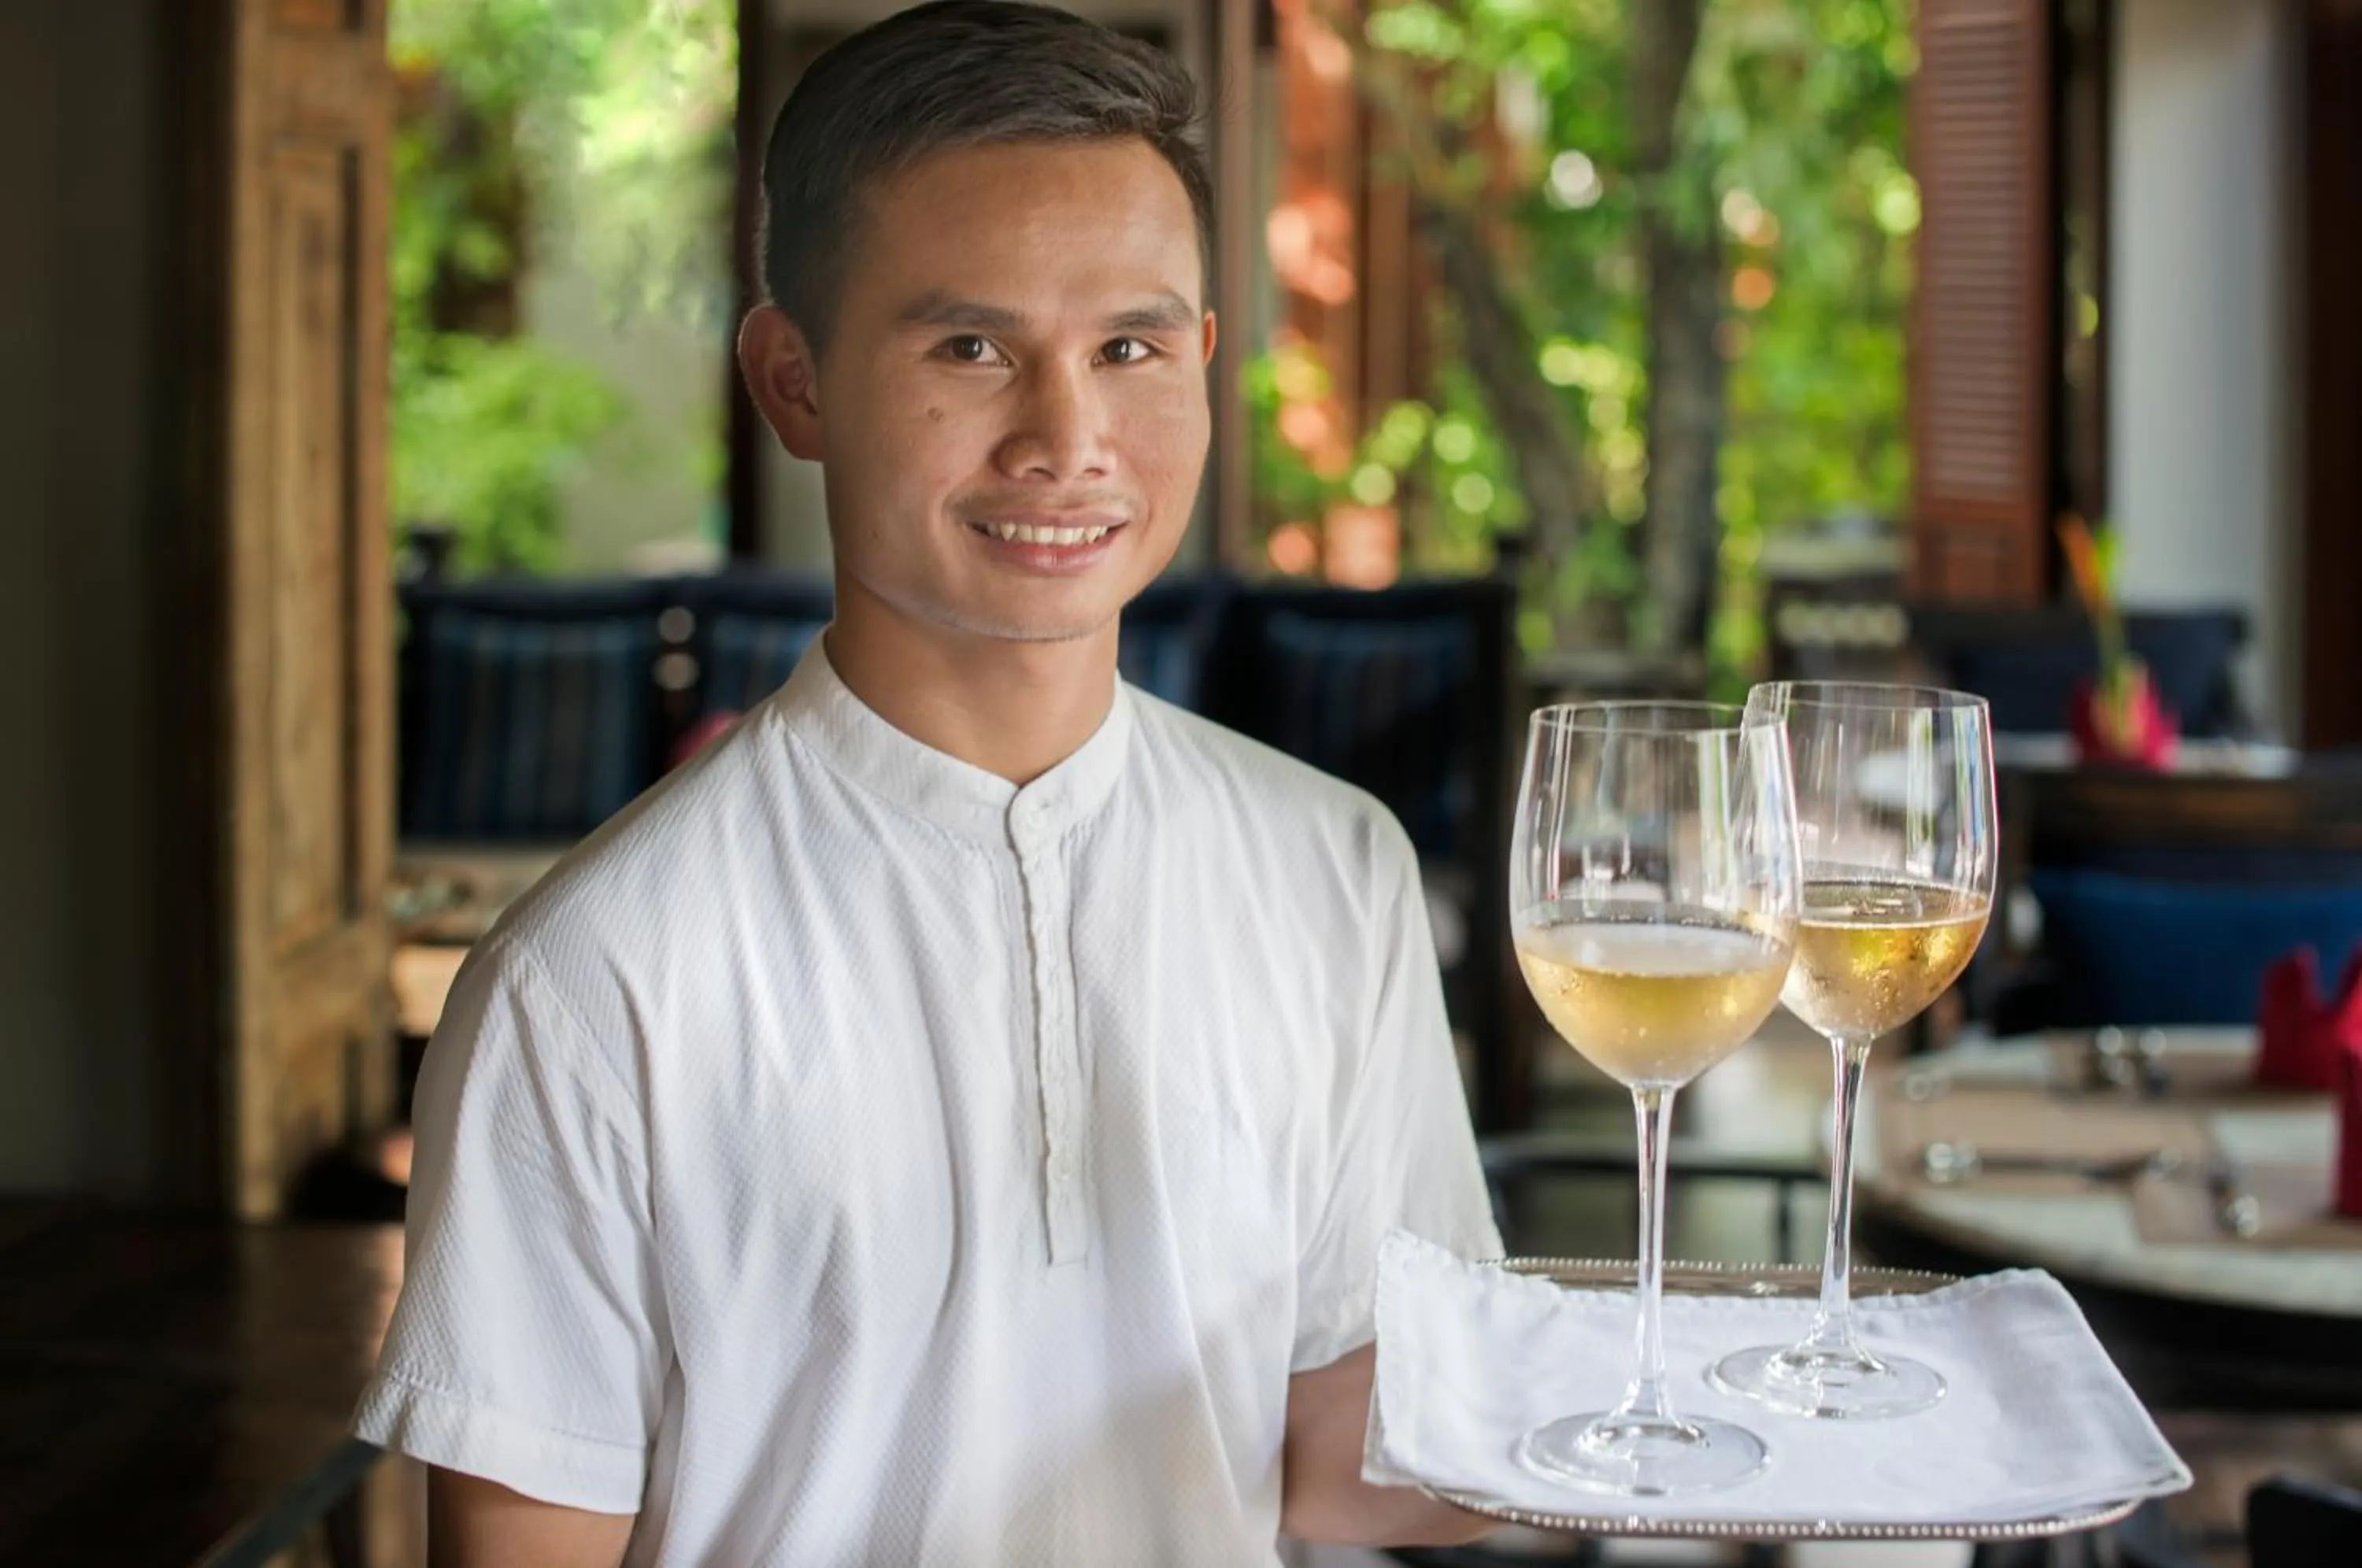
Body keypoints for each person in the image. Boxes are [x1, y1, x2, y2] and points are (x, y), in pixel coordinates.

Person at [353, 4, 1501, 1562]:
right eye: (971, 346)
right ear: (795, 380)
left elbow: (1351, 1461)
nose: (1068, 435)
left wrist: (1727, 1427)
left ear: (1203, 361)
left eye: (1129, 347)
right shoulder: (595, 976)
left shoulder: (1332, 870)